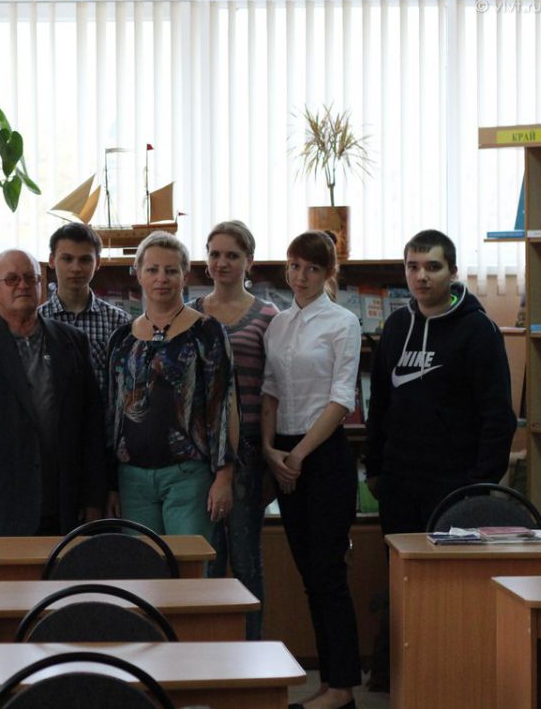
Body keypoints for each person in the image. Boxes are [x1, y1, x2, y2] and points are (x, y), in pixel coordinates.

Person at [362, 228, 516, 691]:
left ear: (452, 271)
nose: (421, 277)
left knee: (448, 588)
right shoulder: (395, 327)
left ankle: (444, 678)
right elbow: (380, 404)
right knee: (399, 579)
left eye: (432, 267)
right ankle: (393, 676)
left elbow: (498, 415)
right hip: (399, 482)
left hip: (455, 486)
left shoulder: (478, 330)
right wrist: (376, 467)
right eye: (413, 267)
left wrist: (479, 484)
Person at [0, 249, 106, 536]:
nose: (23, 285)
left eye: (30, 278)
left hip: (64, 499)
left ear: (40, 284)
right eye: (12, 279)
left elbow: (92, 424)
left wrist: (93, 497)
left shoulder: (72, 341)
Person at [262, 230, 361, 709]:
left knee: (328, 576)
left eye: (312, 269)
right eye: (294, 266)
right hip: (282, 455)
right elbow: (270, 391)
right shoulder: (278, 323)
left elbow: (342, 399)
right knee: (310, 577)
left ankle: (342, 687)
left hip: (321, 456)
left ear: (328, 273)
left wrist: (298, 454)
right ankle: (329, 684)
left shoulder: (343, 322)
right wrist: (269, 450)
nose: (300, 276)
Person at [104, 231, 235, 537]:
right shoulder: (121, 339)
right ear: (138, 274)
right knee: (141, 565)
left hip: (188, 475)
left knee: (190, 565)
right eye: (152, 270)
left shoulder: (207, 332)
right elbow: (112, 415)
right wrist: (110, 485)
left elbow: (224, 407)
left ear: (185, 275)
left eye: (171, 270)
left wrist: (224, 476)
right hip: (132, 479)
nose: (161, 278)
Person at [192, 220, 278, 640]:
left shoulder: (268, 316)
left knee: (245, 561)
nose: (222, 262)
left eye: (232, 255)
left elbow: (275, 389)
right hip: (197, 451)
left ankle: (250, 654)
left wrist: (268, 454)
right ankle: (210, 655)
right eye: (215, 254)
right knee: (207, 560)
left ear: (249, 262)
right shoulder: (189, 313)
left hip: (247, 451)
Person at [39, 222, 131, 396]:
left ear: (98, 263)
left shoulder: (119, 322)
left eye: (85, 260)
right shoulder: (36, 321)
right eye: (67, 259)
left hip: (101, 413)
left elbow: (124, 383)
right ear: (52, 260)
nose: (76, 268)